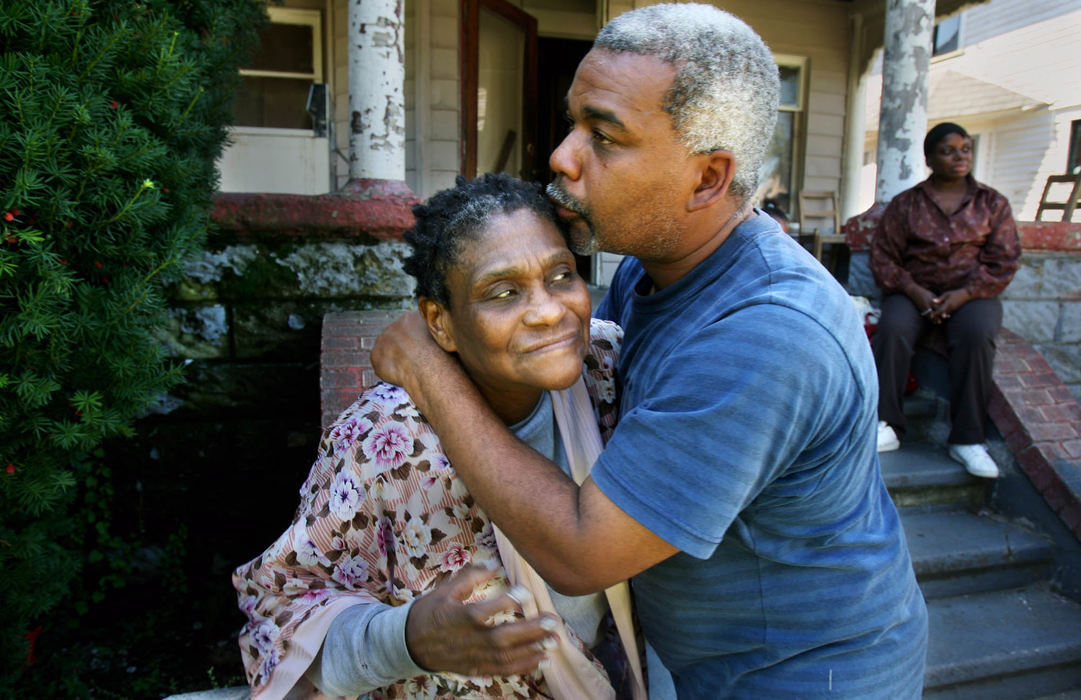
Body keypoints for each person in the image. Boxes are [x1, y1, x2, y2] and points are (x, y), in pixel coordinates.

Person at [372, 4, 928, 697]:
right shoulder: (650, 264)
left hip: (802, 676)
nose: (561, 156)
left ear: (706, 179)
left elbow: (583, 550)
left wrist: (427, 369)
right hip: (701, 663)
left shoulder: (763, 336)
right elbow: (578, 407)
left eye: (603, 137)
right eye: (573, 121)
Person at [232, 173, 646, 699]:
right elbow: (279, 612)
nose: (549, 311)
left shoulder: (608, 370)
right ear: (439, 322)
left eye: (562, 275)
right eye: (502, 292)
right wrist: (403, 640)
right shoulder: (382, 443)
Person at [870, 122, 1021, 479]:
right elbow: (884, 258)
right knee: (892, 328)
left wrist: (963, 295)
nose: (959, 157)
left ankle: (967, 439)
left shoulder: (991, 203)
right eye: (948, 150)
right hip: (914, 290)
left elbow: (1004, 259)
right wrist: (915, 291)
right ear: (929, 158)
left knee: (977, 335)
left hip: (971, 294)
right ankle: (886, 423)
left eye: (965, 149)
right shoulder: (907, 204)